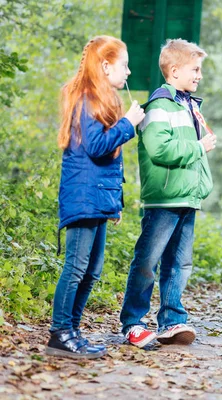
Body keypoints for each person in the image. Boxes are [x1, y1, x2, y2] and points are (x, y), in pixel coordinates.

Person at [48, 36, 145, 359]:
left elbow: (107, 160)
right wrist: (128, 123)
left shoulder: (100, 100)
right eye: (124, 65)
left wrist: (113, 203)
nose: (128, 72)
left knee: (92, 271)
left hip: (97, 198)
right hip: (83, 197)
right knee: (76, 268)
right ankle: (60, 333)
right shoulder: (86, 99)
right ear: (105, 66)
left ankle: (72, 331)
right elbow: (97, 147)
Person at [119, 39, 217, 348]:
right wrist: (199, 147)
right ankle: (132, 322)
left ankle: (172, 321)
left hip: (187, 197)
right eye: (195, 69)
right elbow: (160, 149)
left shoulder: (188, 105)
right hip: (164, 198)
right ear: (174, 71)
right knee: (148, 260)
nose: (199, 75)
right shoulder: (160, 105)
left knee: (179, 263)